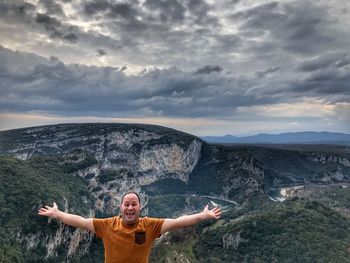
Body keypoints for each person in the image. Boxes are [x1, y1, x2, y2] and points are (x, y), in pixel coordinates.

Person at [38, 191, 221, 263]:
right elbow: (80, 221)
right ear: (121, 207)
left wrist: (203, 216)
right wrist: (57, 214)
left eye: (134, 204)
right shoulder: (107, 225)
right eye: (127, 204)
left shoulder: (150, 226)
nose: (130, 208)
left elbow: (177, 222)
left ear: (140, 207)